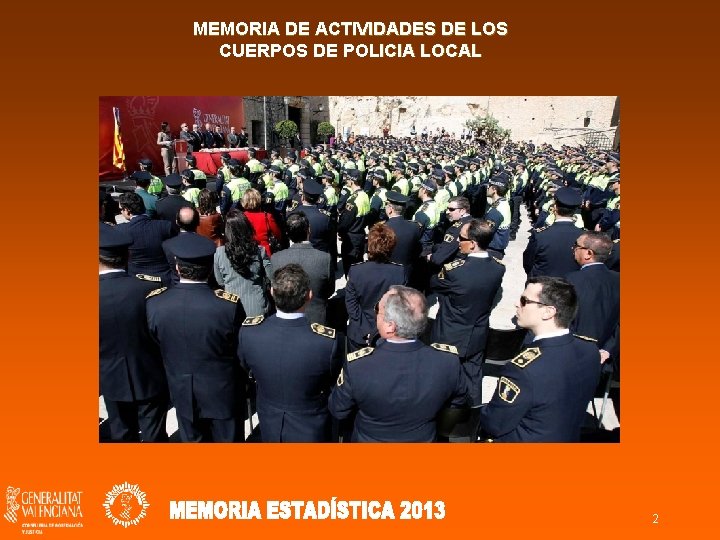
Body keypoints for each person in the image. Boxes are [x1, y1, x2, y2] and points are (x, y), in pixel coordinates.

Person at [329, 285, 470, 442]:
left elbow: (338, 409)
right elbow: (458, 402)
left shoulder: (357, 367)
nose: (376, 314)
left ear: (390, 326)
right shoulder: (448, 363)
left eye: (378, 310)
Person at [146, 233, 246, 442]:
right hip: (222, 392)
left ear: (177, 267)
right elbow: (240, 350)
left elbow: (156, 343)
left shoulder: (156, 303)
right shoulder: (228, 306)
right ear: (210, 268)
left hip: (182, 392)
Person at [478, 277, 601, 442]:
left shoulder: (522, 370)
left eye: (524, 301)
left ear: (548, 312)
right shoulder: (590, 350)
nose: (517, 304)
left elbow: (495, 423)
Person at [237, 264, 340, 442]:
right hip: (311, 428)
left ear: (272, 292)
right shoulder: (326, 342)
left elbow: (244, 373)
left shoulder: (249, 334)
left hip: (269, 423)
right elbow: (334, 386)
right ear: (309, 295)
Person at [99, 223, 168, 442]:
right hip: (150, 374)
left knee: (121, 435)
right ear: (127, 255)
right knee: (154, 436)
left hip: (110, 379)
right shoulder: (148, 289)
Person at [430, 219, 506, 406]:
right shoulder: (498, 268)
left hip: (449, 335)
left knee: (443, 380)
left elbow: (434, 283)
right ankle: (473, 415)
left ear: (472, 243)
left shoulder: (454, 271)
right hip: (477, 334)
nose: (457, 241)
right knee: (473, 378)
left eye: (461, 238)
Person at [345, 223, 407, 351]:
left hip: (359, 332)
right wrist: (377, 332)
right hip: (386, 332)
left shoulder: (356, 271)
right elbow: (399, 307)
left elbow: (352, 305)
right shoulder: (399, 272)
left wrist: (366, 330)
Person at [565, 232, 620, 364]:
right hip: (605, 358)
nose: (573, 248)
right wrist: (608, 349)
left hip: (573, 355)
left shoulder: (571, 280)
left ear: (588, 253)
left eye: (577, 245)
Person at [270, 212, 334, 325]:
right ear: (309, 230)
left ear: (287, 234)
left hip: (285, 320)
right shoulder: (324, 258)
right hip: (316, 318)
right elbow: (329, 290)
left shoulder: (276, 258)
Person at [214, 209, 273, 317]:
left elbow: (220, 281)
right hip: (257, 307)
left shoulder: (219, 253)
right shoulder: (259, 251)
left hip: (232, 308)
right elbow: (271, 276)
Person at [116, 192, 175, 286]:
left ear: (127, 210)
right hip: (164, 278)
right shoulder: (165, 226)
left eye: (120, 209)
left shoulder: (121, 230)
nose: (120, 212)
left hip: (135, 280)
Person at [523, 187, 583, 278]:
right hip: (570, 284)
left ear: (555, 207)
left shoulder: (540, 235)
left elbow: (528, 262)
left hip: (543, 283)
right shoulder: (583, 236)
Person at [337, 169, 370, 276]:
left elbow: (345, 222)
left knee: (349, 269)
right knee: (358, 266)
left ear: (352, 181)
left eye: (348, 179)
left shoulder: (353, 200)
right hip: (360, 234)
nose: (346, 181)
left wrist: (340, 232)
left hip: (351, 239)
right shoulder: (365, 195)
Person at [240, 188, 283, 256]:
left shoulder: (240, 217)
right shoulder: (267, 216)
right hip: (264, 252)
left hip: (247, 252)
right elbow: (278, 234)